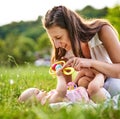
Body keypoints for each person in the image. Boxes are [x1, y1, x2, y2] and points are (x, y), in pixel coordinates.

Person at [42, 5, 120, 98]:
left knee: (114, 88)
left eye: (58, 37)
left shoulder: (103, 31)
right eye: (52, 39)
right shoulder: (62, 52)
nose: (56, 45)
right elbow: (68, 91)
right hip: (91, 87)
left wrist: (91, 63)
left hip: (114, 79)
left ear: (72, 29)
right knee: (82, 85)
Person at [18, 69, 90, 105]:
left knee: (84, 72)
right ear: (34, 102)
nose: (42, 90)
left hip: (79, 91)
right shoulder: (50, 101)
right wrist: (60, 76)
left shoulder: (48, 97)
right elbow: (61, 91)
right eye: (38, 92)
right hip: (85, 96)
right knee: (92, 78)